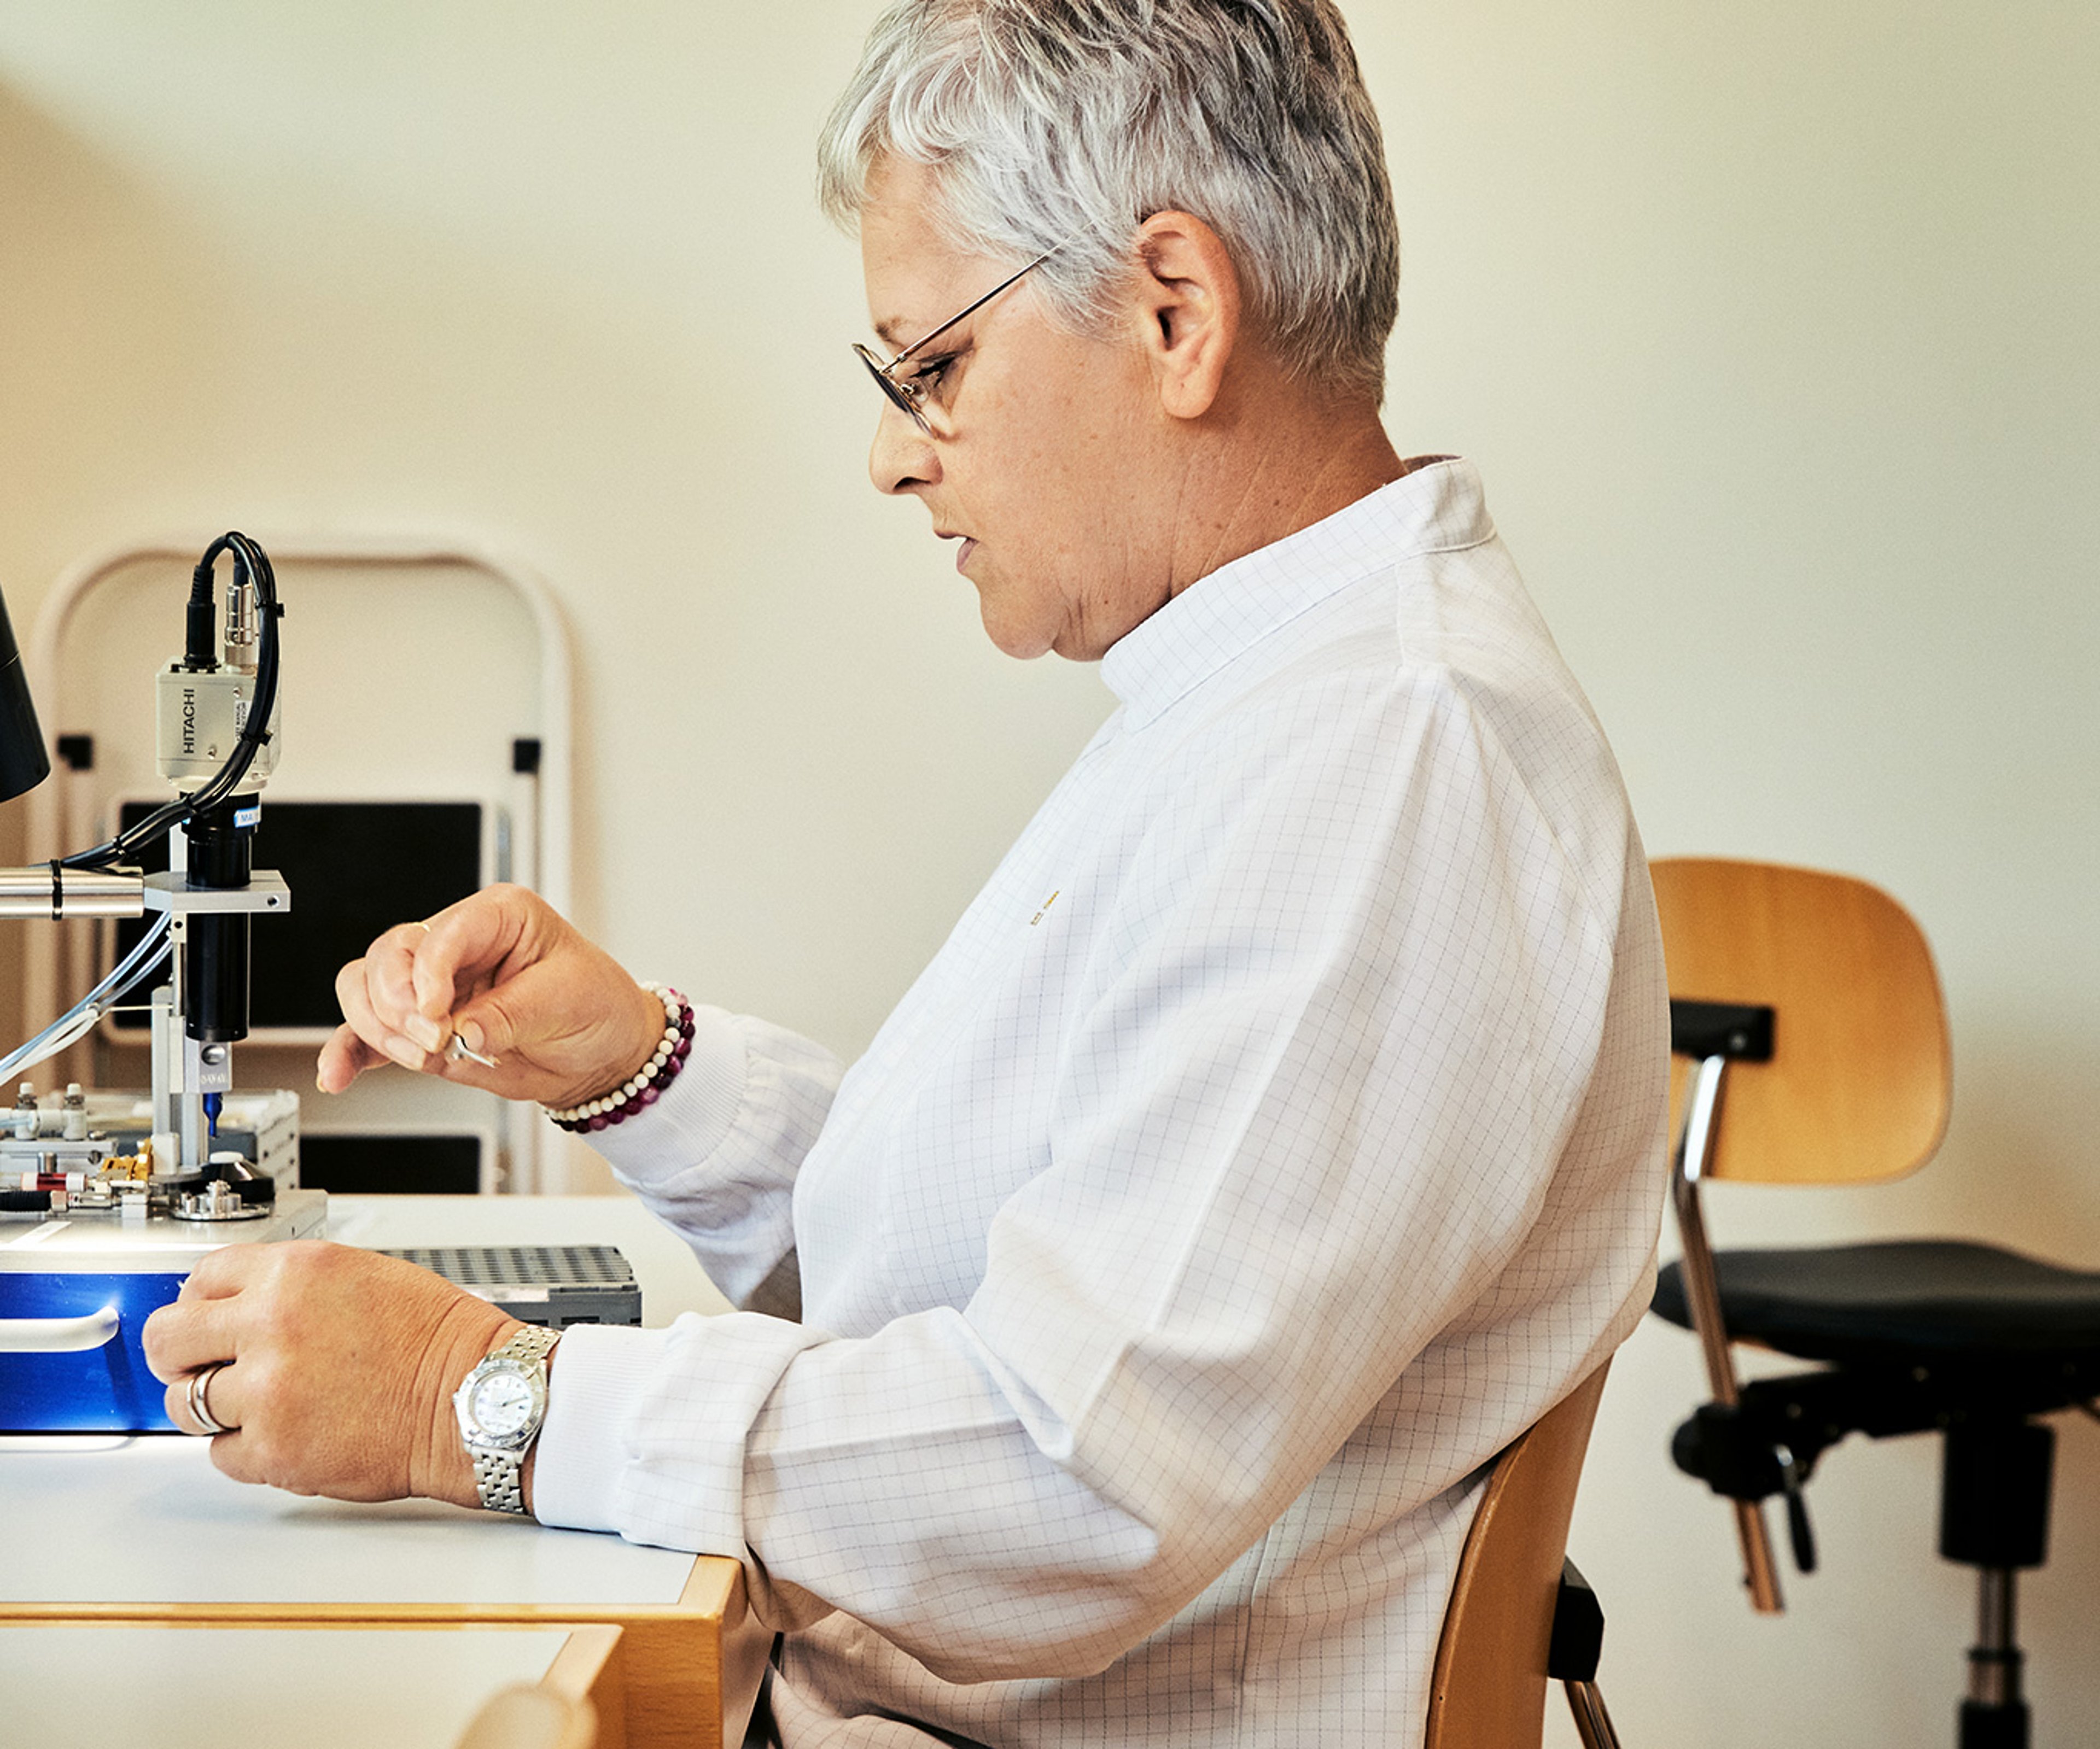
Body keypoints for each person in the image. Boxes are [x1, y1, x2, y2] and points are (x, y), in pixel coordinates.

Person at [144, 2, 1670, 1742]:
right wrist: (638, 1065)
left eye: (930, 369)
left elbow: (1069, 1475)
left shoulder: (1384, 758)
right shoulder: (1268, 702)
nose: (892, 453)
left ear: (1177, 312)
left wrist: (469, 1398)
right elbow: (999, 1276)